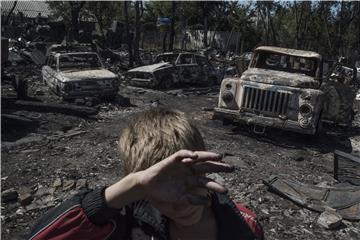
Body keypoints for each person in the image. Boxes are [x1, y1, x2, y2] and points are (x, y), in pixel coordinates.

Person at [29, 108, 264, 240]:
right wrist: (126, 189)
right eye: (163, 188)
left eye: (187, 177)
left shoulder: (245, 225)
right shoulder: (124, 222)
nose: (180, 200)